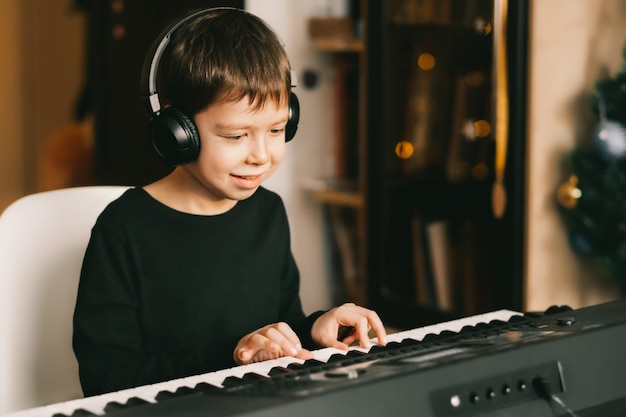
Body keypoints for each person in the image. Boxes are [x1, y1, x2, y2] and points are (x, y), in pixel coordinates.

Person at [72, 7, 387, 397]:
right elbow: (107, 380)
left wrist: (314, 329)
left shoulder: (268, 212)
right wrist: (234, 357)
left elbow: (278, 330)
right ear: (176, 133)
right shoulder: (123, 229)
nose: (261, 155)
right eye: (236, 136)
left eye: (276, 129)